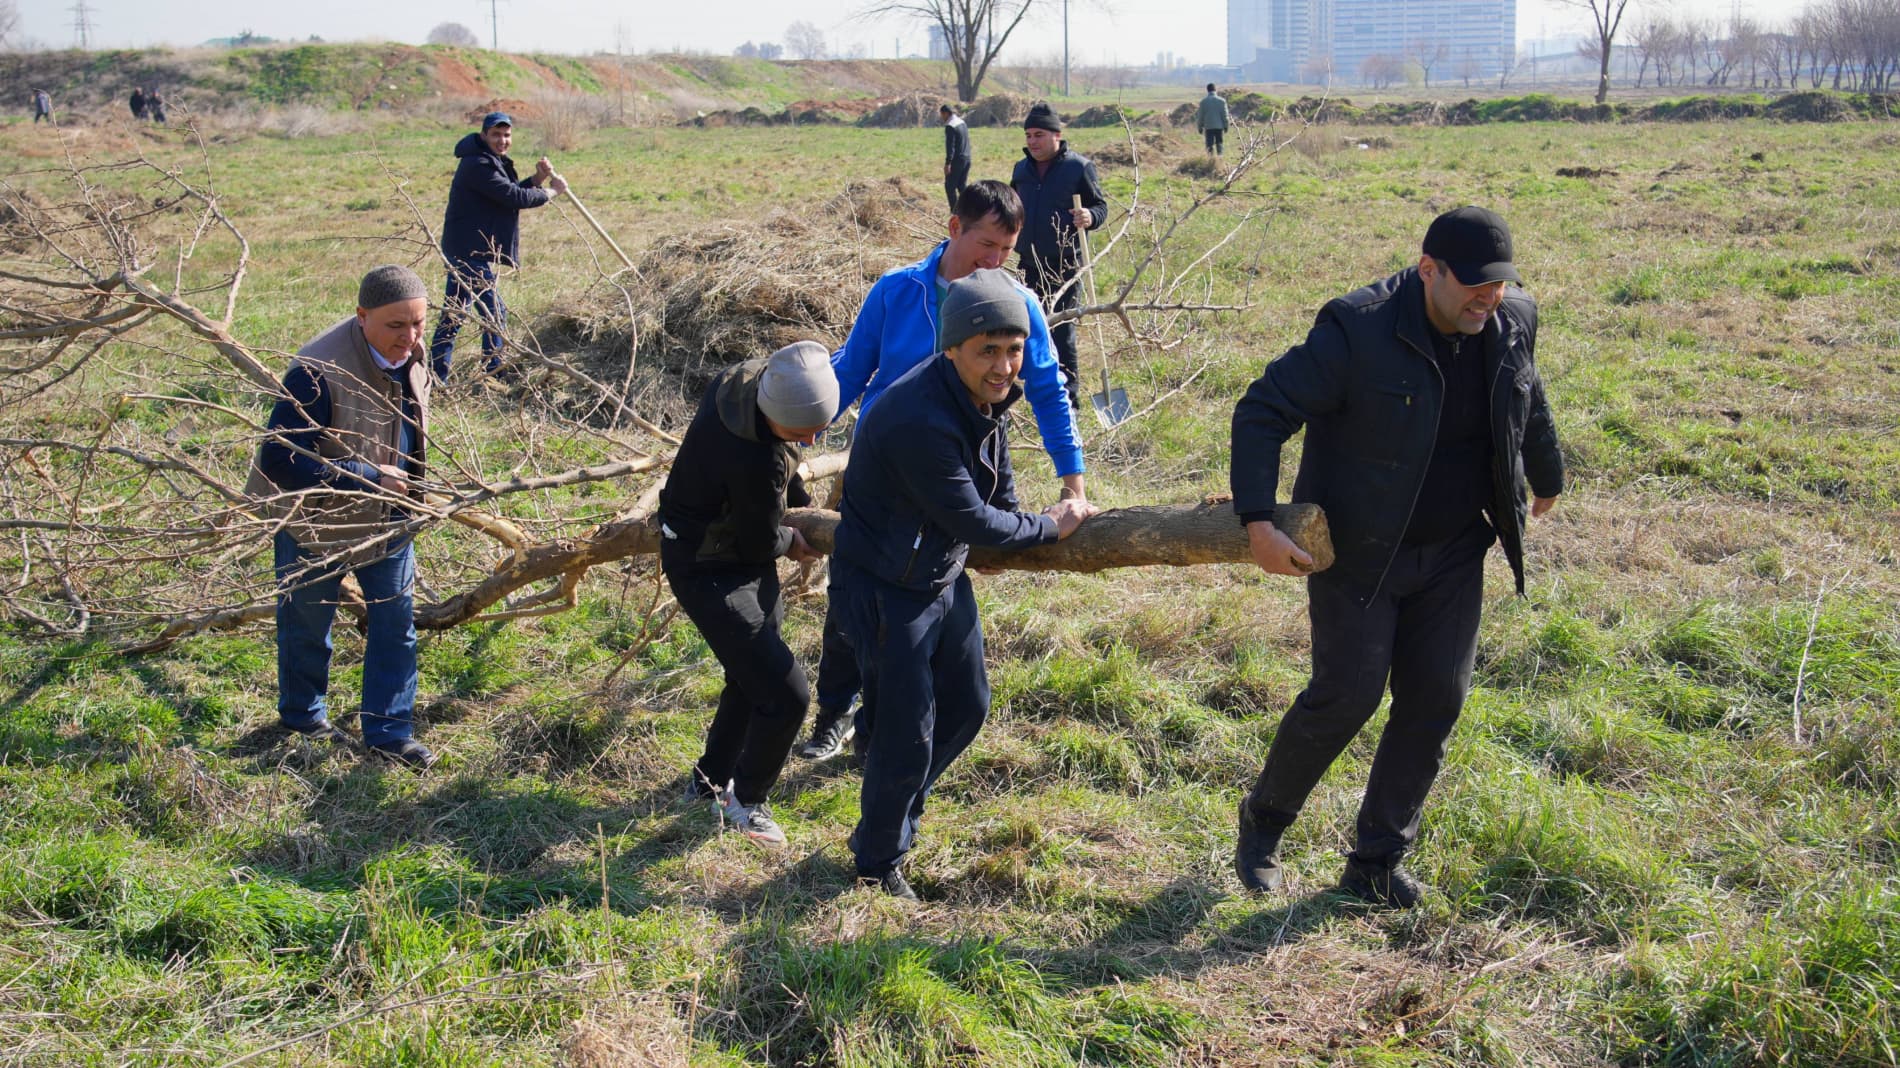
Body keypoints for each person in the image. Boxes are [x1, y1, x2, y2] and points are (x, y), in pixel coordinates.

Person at [1229, 206, 1564, 907]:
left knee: (1436, 696)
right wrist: (1259, 522)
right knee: (1347, 695)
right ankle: (1263, 824)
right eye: (1474, 284)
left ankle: (1377, 859)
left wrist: (1548, 472)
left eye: (1498, 285)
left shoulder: (1511, 320)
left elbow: (1524, 395)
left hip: (1452, 551)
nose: (1488, 298)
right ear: (1428, 269)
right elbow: (1262, 410)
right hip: (1360, 552)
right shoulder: (1359, 329)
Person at [799, 180, 1088, 762]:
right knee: (854, 597)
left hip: (955, 478)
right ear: (954, 228)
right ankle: (835, 711)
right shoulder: (897, 291)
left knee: (927, 593)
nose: (995, 262)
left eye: (1007, 251)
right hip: (881, 472)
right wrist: (797, 427)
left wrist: (1072, 480)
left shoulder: (1014, 304)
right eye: (986, 245)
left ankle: (888, 730)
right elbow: (852, 369)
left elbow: (1049, 392)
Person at [833, 269, 1099, 899]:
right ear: (951, 346)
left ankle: (894, 808)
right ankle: (876, 862)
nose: (1005, 366)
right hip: (884, 590)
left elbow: (992, 478)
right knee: (908, 732)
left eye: (1014, 348)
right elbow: (973, 519)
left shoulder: (980, 394)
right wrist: (1046, 525)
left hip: (936, 571)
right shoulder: (916, 417)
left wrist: (1010, 517)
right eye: (989, 350)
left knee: (968, 705)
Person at [245, 265, 438, 769]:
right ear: (362, 316)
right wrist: (367, 476)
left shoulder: (416, 356)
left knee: (395, 626)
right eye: (397, 325)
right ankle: (304, 718)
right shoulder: (316, 370)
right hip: (315, 523)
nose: (410, 337)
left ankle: (389, 733)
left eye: (419, 323)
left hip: (391, 519)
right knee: (308, 625)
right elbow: (281, 460)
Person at [658, 342, 838, 848]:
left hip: (734, 552)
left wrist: (797, 497)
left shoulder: (749, 381)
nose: (811, 439)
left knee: (750, 673)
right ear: (772, 413)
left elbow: (785, 459)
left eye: (817, 429)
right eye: (801, 432)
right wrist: (792, 539)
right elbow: (762, 536)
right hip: (706, 566)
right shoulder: (749, 459)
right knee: (785, 694)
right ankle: (747, 801)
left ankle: (710, 782)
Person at [429, 111, 567, 380]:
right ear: (484, 135)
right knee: (494, 313)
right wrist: (552, 192)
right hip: (468, 251)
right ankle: (494, 374)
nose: (502, 140)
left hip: (467, 247)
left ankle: (436, 376)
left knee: (454, 316)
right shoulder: (477, 164)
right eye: (496, 134)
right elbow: (513, 197)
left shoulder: (489, 161)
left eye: (507, 135)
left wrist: (537, 179)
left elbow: (506, 192)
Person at [1009, 102, 1107, 411]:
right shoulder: (1021, 170)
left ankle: (1069, 400)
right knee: (1029, 328)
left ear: (1057, 135)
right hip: (1028, 262)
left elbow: (1101, 207)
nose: (1032, 142)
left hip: (1064, 265)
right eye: (1028, 135)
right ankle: (1038, 389)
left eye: (1039, 135)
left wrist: (1089, 216)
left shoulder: (1078, 168)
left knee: (1061, 331)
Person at [940, 103, 971, 212]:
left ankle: (955, 212)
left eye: (942, 115)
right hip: (967, 158)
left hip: (957, 161)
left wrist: (948, 163)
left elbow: (950, 147)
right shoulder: (962, 122)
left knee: (949, 186)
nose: (941, 117)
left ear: (946, 113)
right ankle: (968, 209)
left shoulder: (950, 126)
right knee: (961, 186)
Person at [1196, 84, 1229, 156]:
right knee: (1219, 144)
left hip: (1208, 127)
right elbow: (1225, 115)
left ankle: (1211, 161)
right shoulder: (1222, 101)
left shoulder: (1203, 102)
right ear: (1215, 90)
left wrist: (1200, 127)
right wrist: (1226, 126)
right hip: (1219, 127)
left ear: (1207, 90)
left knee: (1209, 145)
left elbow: (1200, 116)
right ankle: (1220, 159)